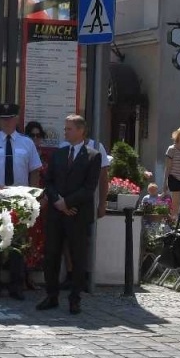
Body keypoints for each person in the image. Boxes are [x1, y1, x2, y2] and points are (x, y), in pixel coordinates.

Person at [0, 103, 44, 299]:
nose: (7, 122)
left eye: (10, 118)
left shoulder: (27, 143)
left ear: (17, 119)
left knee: (18, 244)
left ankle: (16, 286)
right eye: (3, 119)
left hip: (20, 199)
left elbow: (35, 171)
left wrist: (33, 197)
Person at [37, 115, 102, 315]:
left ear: (81, 130)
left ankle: (75, 299)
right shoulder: (59, 154)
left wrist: (68, 202)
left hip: (78, 214)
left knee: (78, 257)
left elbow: (89, 188)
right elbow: (49, 181)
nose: (65, 132)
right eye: (64, 129)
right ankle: (51, 295)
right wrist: (58, 202)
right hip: (57, 214)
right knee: (52, 255)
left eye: (69, 129)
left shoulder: (93, 155)